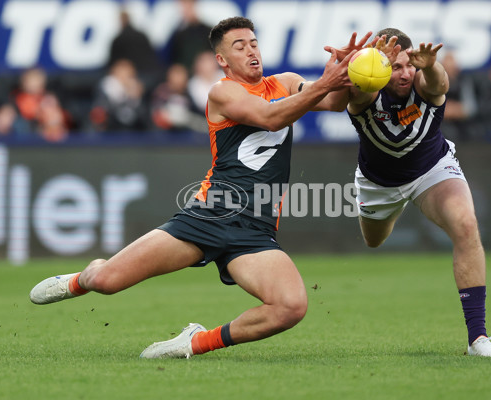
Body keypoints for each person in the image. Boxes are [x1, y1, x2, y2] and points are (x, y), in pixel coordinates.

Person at [29, 16, 357, 359]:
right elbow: (271, 117)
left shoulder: (287, 83)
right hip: (209, 215)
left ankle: (195, 341)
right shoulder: (222, 91)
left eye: (254, 43)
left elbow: (334, 104)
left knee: (291, 307)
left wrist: (352, 73)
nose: (251, 51)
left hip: (255, 228)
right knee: (108, 282)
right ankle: (83, 278)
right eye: (239, 46)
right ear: (222, 60)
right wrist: (326, 82)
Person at [327, 28, 491, 357]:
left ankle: (478, 339)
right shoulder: (367, 92)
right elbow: (356, 94)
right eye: (396, 67)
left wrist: (431, 65)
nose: (406, 72)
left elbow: (439, 85)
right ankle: (391, 212)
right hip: (378, 183)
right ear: (379, 68)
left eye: (409, 65)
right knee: (374, 240)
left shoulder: (425, 81)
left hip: (431, 170)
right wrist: (363, 65)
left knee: (466, 225)